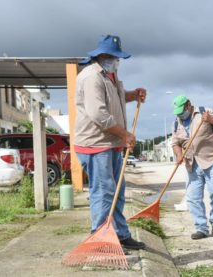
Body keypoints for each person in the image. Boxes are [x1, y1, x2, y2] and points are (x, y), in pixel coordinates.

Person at [74, 35, 146, 250]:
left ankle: (121, 234)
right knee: (104, 192)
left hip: (111, 143)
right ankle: (100, 238)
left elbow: (116, 97)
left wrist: (132, 95)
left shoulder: (110, 74)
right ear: (102, 55)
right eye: (115, 58)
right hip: (96, 144)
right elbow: (98, 113)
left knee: (117, 192)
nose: (118, 61)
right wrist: (125, 134)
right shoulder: (91, 77)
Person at [171, 95, 213, 239]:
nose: (180, 114)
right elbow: (175, 143)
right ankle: (201, 228)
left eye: (182, 111)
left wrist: (211, 120)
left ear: (189, 105)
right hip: (192, 163)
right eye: (177, 112)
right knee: (192, 197)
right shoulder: (176, 122)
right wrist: (179, 155)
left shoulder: (205, 112)